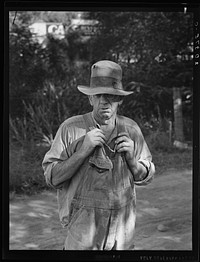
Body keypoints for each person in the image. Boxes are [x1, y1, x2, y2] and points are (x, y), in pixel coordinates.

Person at [42, 60, 155, 250]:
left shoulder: (131, 129)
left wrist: (132, 160)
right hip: (83, 235)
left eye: (111, 95)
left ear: (119, 99)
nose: (104, 100)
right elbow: (52, 178)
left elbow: (145, 176)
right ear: (90, 99)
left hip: (122, 233)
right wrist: (83, 150)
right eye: (98, 95)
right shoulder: (71, 129)